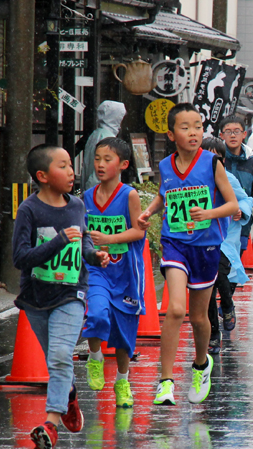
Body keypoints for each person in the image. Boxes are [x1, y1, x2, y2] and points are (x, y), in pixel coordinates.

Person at [138, 103, 239, 406]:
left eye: (198, 126)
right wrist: (149, 211)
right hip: (175, 243)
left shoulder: (212, 163)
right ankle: (166, 381)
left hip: (206, 247)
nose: (194, 132)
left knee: (198, 317)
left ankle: (200, 364)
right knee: (176, 310)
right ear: (171, 134)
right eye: (186, 127)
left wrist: (208, 212)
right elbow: (163, 194)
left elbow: (233, 206)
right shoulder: (166, 165)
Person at [13, 144, 110, 449]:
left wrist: (95, 255)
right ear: (42, 176)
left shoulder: (77, 205)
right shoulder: (29, 210)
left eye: (71, 165)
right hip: (37, 298)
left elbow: (83, 243)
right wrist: (58, 241)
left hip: (72, 294)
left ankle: (50, 425)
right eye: (63, 166)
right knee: (57, 362)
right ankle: (68, 397)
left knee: (58, 357)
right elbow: (20, 258)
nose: (71, 171)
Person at [82, 137, 145, 409]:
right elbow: (83, 235)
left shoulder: (129, 194)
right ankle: (94, 357)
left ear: (123, 164)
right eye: (97, 158)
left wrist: (109, 239)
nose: (100, 164)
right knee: (95, 313)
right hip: (98, 270)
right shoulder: (86, 197)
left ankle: (122, 381)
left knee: (122, 335)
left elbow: (138, 230)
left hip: (127, 274)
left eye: (107, 159)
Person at [201, 137, 252, 354]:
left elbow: (244, 199)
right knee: (207, 292)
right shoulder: (196, 179)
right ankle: (213, 334)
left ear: (223, 160)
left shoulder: (228, 178)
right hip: (201, 240)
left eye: (217, 159)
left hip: (224, 239)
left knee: (219, 275)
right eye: (206, 157)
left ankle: (228, 304)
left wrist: (240, 211)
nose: (212, 163)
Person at [220, 116, 253, 256]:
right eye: (228, 132)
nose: (233, 135)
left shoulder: (251, 160)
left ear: (244, 134)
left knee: (235, 263)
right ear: (221, 135)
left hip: (242, 223)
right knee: (221, 266)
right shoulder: (216, 157)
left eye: (237, 131)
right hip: (219, 219)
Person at [81, 101, 126, 191]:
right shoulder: (108, 139)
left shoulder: (96, 134)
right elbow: (100, 173)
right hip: (102, 193)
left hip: (91, 190)